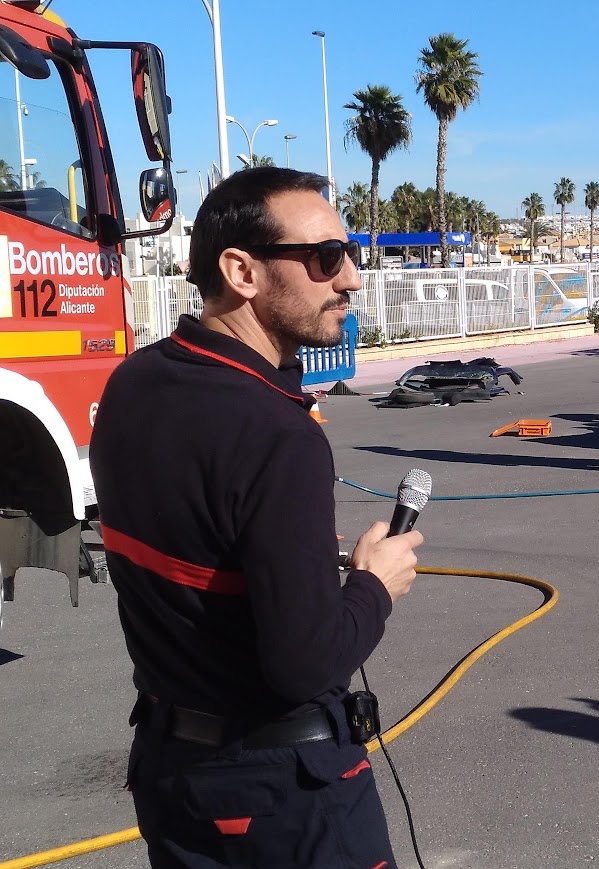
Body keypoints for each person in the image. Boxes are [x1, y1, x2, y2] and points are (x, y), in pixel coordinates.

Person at [90, 167, 424, 868]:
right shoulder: (277, 434)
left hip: (171, 768)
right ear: (241, 270)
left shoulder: (132, 383)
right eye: (325, 257)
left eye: (352, 253)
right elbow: (303, 663)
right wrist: (373, 583)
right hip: (279, 799)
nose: (352, 279)